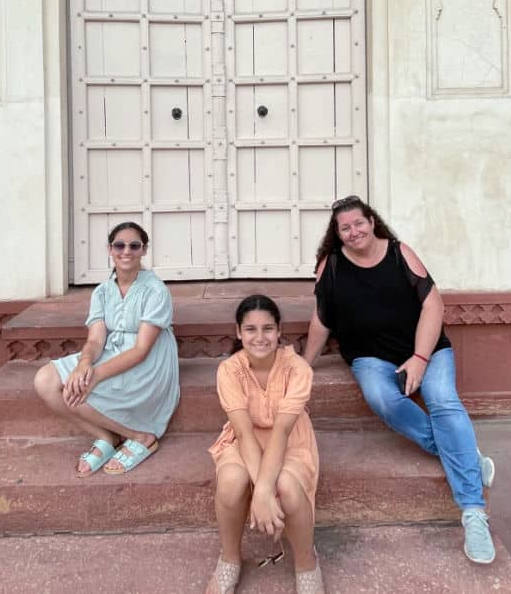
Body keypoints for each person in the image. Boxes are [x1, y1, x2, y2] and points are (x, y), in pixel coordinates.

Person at [303, 195, 496, 565]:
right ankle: (462, 454)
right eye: (345, 227)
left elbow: (433, 304)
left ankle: (473, 512)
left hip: (427, 350)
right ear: (337, 233)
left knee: (443, 400)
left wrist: (420, 358)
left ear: (372, 221)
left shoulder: (398, 253)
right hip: (371, 358)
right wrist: (304, 364)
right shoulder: (332, 267)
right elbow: (322, 319)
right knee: (380, 396)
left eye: (359, 223)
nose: (354, 231)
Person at [34, 221, 180, 477]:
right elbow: (96, 339)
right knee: (45, 380)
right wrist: (84, 364)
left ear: (144, 250)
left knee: (80, 387)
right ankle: (106, 436)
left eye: (134, 246)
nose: (127, 251)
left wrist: (96, 376)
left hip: (147, 361)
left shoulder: (156, 291)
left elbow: (141, 350)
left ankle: (141, 436)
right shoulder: (101, 292)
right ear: (110, 249)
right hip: (110, 351)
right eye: (119, 245)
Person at [206, 295, 324, 594]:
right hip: (244, 440)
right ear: (238, 332)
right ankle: (230, 559)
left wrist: (265, 491)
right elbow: (244, 434)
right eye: (250, 329)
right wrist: (262, 493)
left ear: (279, 330)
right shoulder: (230, 370)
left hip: (290, 440)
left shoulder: (297, 369)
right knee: (232, 480)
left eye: (267, 329)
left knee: (287, 486)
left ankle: (307, 563)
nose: (260, 338)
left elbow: (282, 433)